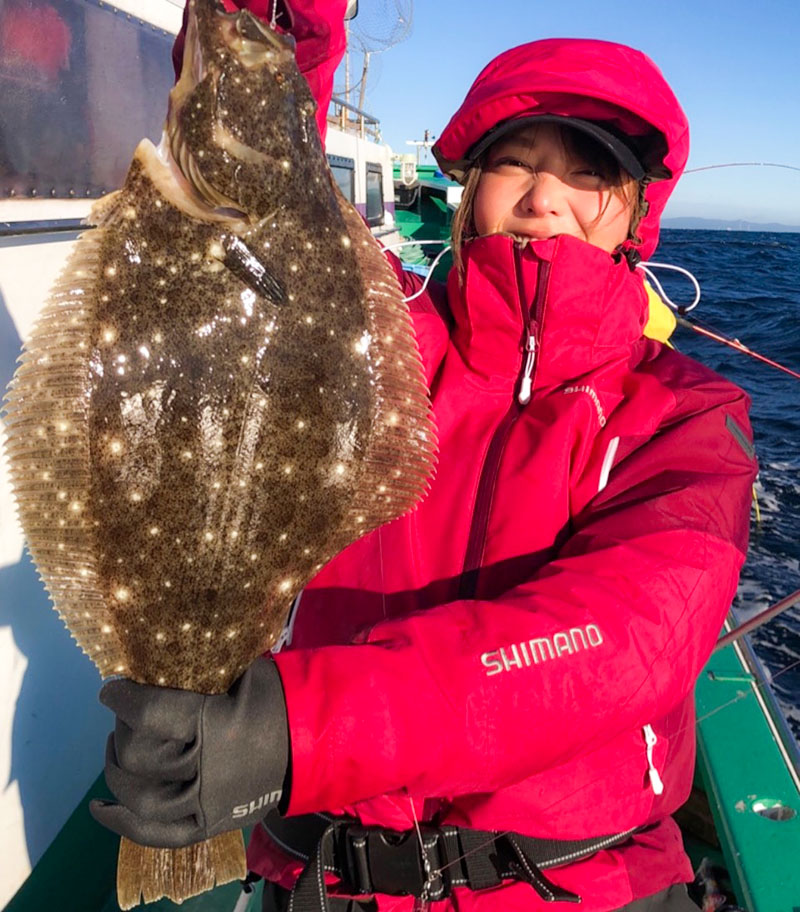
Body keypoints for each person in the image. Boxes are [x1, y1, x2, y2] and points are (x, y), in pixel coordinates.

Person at [90, 4, 758, 911]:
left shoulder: (686, 414)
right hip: (320, 870)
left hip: (572, 886)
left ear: (634, 217)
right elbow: (256, 220)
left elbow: (630, 638)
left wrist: (300, 727)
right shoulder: (374, 338)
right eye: (518, 161)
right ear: (471, 184)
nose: (544, 198)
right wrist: (275, 24)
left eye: (590, 173)